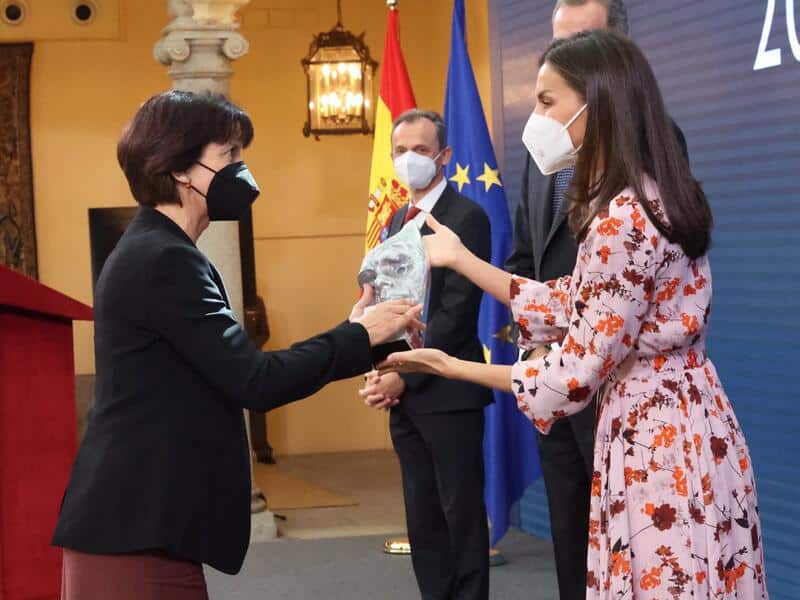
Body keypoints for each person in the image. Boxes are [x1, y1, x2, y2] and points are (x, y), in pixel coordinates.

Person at [381, 31, 768, 599]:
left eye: (546, 101)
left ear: (597, 103)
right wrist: (464, 260)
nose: (533, 118)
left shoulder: (620, 219)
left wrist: (451, 367)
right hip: (687, 424)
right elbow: (574, 300)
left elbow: (572, 373)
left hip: (652, 441)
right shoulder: (650, 194)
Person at [52, 91, 422, 600]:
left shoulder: (160, 249)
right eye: (230, 156)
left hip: (139, 526)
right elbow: (254, 380)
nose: (243, 171)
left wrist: (356, 333)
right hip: (134, 529)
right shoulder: (165, 259)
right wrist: (361, 335)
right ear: (182, 169)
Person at [504, 2, 686, 598]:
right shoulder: (542, 147)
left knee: (629, 545)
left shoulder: (651, 154)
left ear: (616, 58)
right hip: (555, 372)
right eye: (556, 43)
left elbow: (628, 280)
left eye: (580, 42)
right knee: (567, 527)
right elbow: (527, 253)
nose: (562, 58)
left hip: (616, 383)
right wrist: (532, 345)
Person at [359, 109, 493, 600]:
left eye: (419, 150)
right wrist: (382, 367)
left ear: (444, 156)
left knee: (460, 517)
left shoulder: (467, 218)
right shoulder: (396, 219)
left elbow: (456, 315)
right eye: (400, 152)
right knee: (422, 519)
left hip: (449, 393)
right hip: (406, 395)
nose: (408, 160)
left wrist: (404, 375)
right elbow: (392, 305)